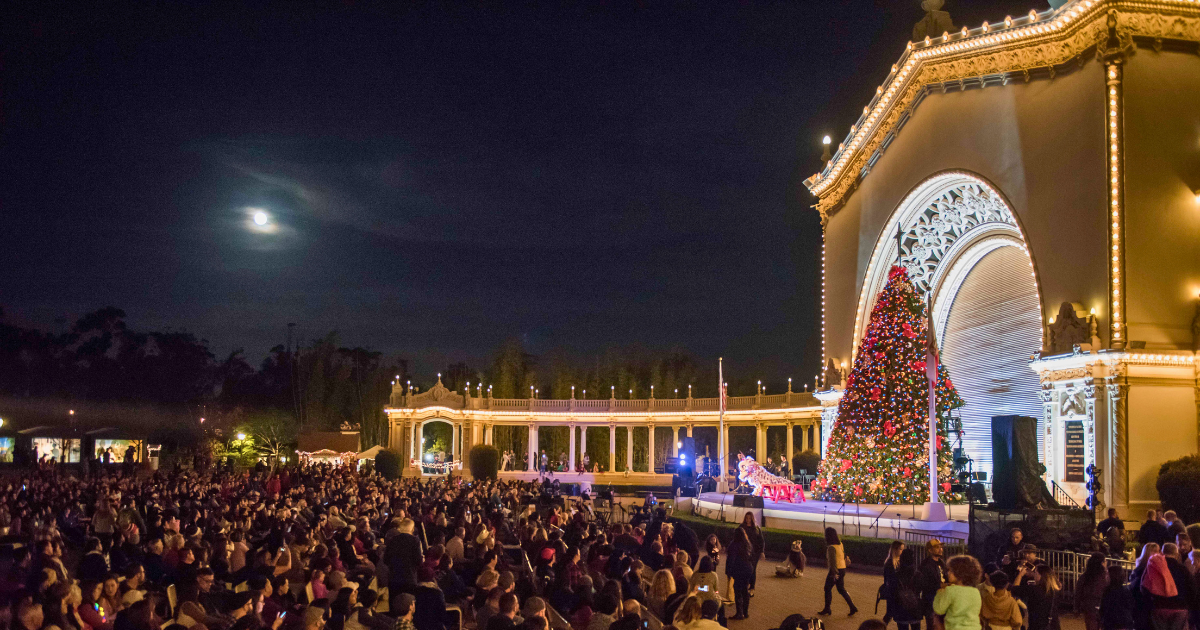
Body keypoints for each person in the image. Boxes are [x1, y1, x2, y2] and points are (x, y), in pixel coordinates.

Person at [933, 555, 983, 630]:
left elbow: (938, 609)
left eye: (950, 570)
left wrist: (940, 592)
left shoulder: (950, 590)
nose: (948, 573)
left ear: (959, 572)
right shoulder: (975, 592)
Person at [818, 527, 858, 617]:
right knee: (841, 589)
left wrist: (834, 574)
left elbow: (832, 562)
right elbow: (844, 555)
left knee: (827, 588)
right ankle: (852, 607)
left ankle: (827, 608)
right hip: (842, 569)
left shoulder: (831, 547)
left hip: (836, 571)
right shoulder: (840, 544)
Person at [1014, 564, 1060, 630]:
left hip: (1037, 625)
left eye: (1035, 572)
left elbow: (1015, 589)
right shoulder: (1055, 590)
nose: (1034, 575)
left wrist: (1020, 574)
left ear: (1041, 576)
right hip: (1053, 626)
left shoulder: (1034, 590)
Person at [725, 528, 754, 620]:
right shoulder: (748, 544)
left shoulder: (734, 545)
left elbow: (731, 559)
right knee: (745, 590)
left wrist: (729, 571)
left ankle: (739, 613)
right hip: (748, 568)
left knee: (737, 591)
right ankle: (745, 612)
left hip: (739, 569)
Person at [918, 539, 947, 630]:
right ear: (930, 550)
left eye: (941, 547)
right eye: (937, 547)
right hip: (931, 602)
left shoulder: (941, 562)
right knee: (932, 626)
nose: (940, 549)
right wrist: (940, 586)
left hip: (942, 600)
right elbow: (924, 584)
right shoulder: (926, 564)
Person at [1076, 553, 1110, 630]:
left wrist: (1076, 608)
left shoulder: (1085, 576)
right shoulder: (1106, 577)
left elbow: (1078, 592)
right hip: (1104, 607)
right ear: (1102, 563)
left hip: (1089, 607)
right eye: (1105, 561)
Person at [737, 512, 764, 596]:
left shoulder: (756, 528)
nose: (748, 520)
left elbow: (761, 541)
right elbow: (736, 538)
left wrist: (762, 552)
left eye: (749, 518)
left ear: (752, 519)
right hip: (744, 552)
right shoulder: (741, 527)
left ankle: (752, 588)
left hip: (754, 553)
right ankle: (745, 585)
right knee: (744, 569)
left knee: (752, 570)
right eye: (746, 518)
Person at [1099, 566, 1134, 630]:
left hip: (1113, 623)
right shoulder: (1126, 590)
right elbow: (1130, 606)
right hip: (1124, 623)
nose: (1105, 577)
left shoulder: (1108, 591)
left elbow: (1105, 608)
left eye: (1107, 574)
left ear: (1112, 576)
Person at [881, 540, 904, 625]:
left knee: (894, 614)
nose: (902, 551)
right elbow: (889, 579)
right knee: (890, 613)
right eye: (901, 549)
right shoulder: (890, 562)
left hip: (897, 592)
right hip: (892, 592)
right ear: (895, 549)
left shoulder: (898, 561)